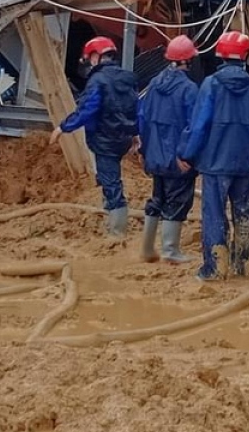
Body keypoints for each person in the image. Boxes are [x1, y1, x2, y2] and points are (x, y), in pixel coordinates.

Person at [178, 31, 249, 281]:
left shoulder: (211, 84)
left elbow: (199, 125)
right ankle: (244, 264)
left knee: (214, 214)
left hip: (215, 163)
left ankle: (215, 268)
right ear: (245, 55)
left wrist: (186, 153)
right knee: (243, 211)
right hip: (244, 163)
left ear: (220, 54)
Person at [50, 36, 138, 236]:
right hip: (123, 138)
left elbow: (87, 109)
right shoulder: (128, 77)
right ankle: (111, 217)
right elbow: (134, 109)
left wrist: (63, 128)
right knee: (109, 178)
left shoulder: (97, 81)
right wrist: (135, 134)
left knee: (111, 182)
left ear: (96, 56)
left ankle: (117, 232)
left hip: (105, 141)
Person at [136, 35, 199, 264]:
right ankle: (170, 251)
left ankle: (146, 248)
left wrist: (143, 152)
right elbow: (194, 126)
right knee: (178, 200)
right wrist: (187, 155)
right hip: (177, 158)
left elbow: (142, 118)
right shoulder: (189, 89)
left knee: (157, 198)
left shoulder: (154, 84)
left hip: (155, 155)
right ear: (188, 60)